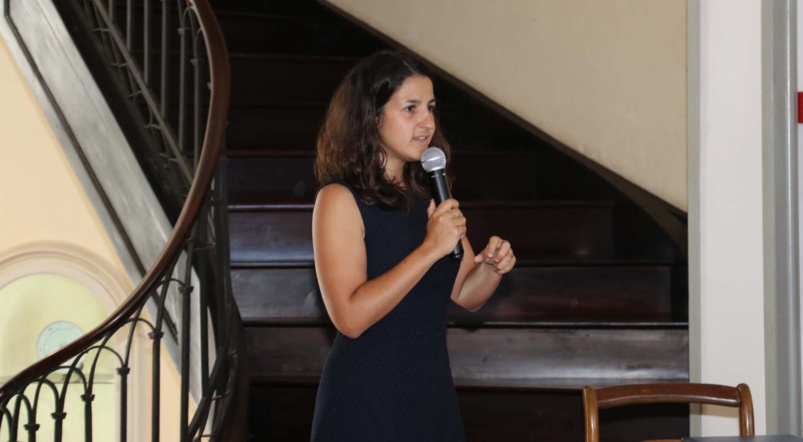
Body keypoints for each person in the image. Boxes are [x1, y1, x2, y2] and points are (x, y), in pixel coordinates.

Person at [310, 50, 516, 441]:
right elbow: (350, 319)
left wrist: (491, 266)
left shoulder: (431, 192)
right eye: (410, 108)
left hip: (430, 394)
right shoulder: (339, 199)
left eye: (431, 108)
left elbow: (466, 294)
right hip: (366, 402)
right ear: (371, 118)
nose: (427, 123)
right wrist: (428, 249)